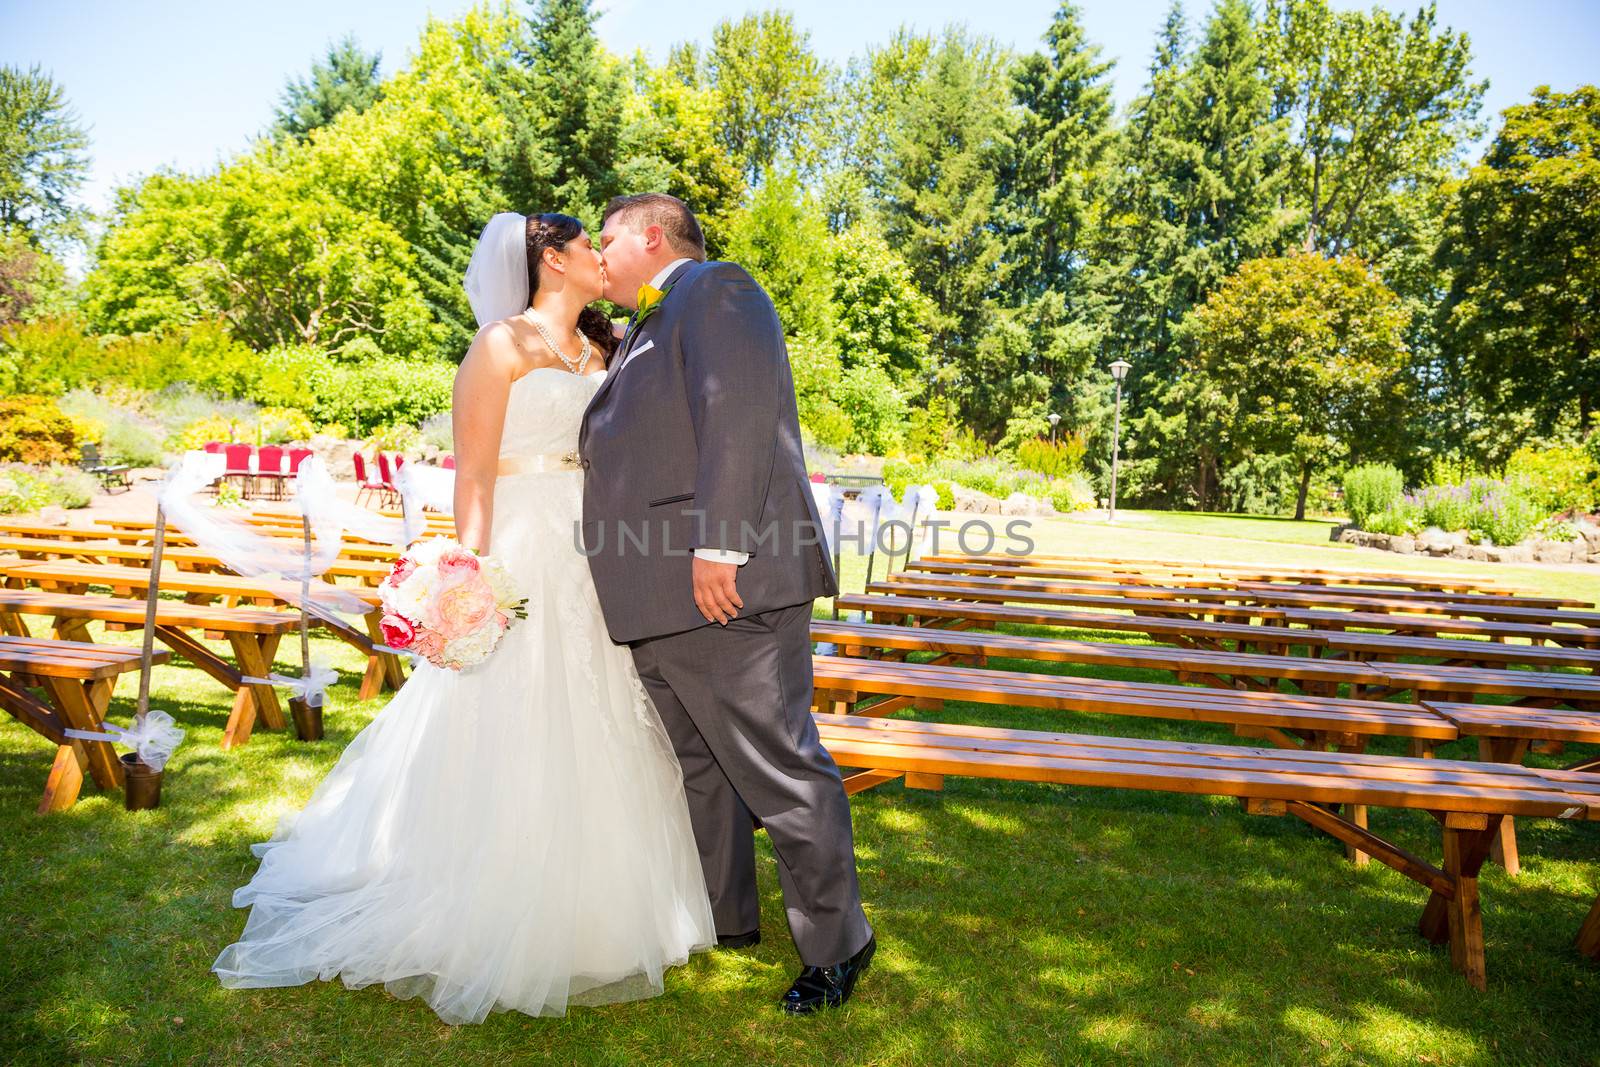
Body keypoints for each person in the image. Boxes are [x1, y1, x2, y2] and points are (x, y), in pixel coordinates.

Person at [211, 212, 715, 1025]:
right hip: (525, 539)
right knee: (513, 706)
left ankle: (611, 900)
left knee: (606, 705)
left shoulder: (612, 347)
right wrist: (466, 576)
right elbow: (474, 476)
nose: (601, 255)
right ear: (553, 258)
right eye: (588, 244)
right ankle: (492, 894)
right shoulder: (499, 347)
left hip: (601, 547)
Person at [580, 193, 875, 1014]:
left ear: (650, 235)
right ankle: (726, 916)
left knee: (778, 763)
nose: (598, 254)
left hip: (722, 584)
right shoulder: (645, 324)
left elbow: (737, 411)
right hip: (657, 596)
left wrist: (719, 544)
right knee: (702, 768)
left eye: (606, 239)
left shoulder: (714, 288)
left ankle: (839, 942)